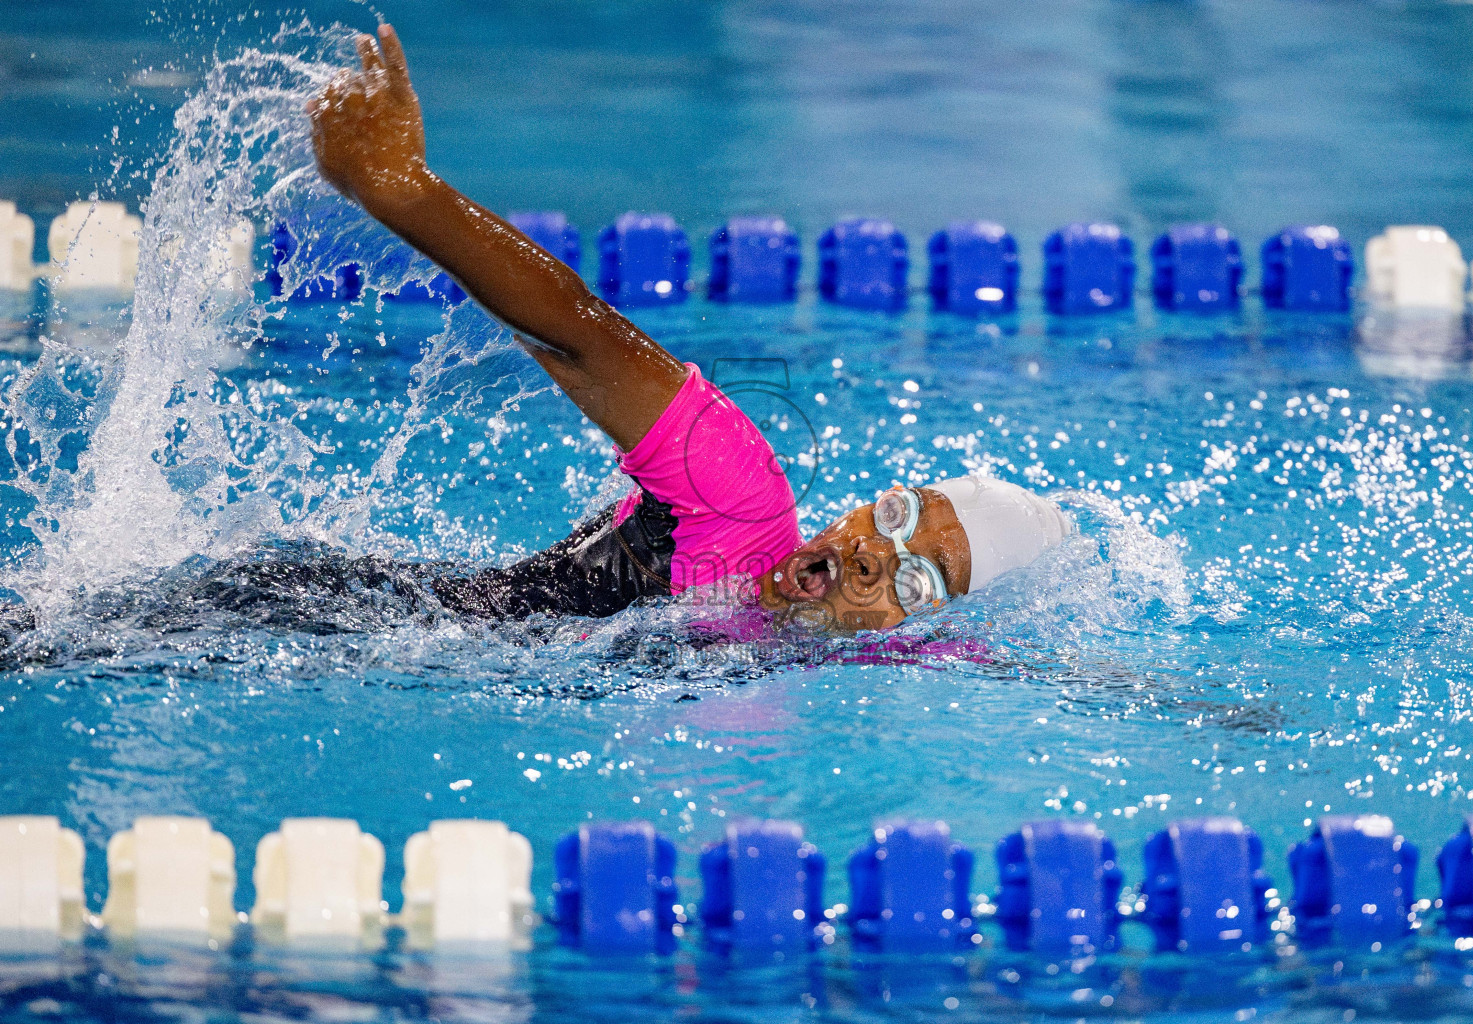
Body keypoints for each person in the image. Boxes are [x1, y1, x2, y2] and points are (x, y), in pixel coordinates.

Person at [307, 25, 1073, 634]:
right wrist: (400, 191)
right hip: (316, 627)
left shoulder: (852, 666)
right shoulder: (737, 497)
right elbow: (583, 330)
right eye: (897, 516)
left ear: (927, 626)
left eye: (921, 577)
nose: (874, 552)